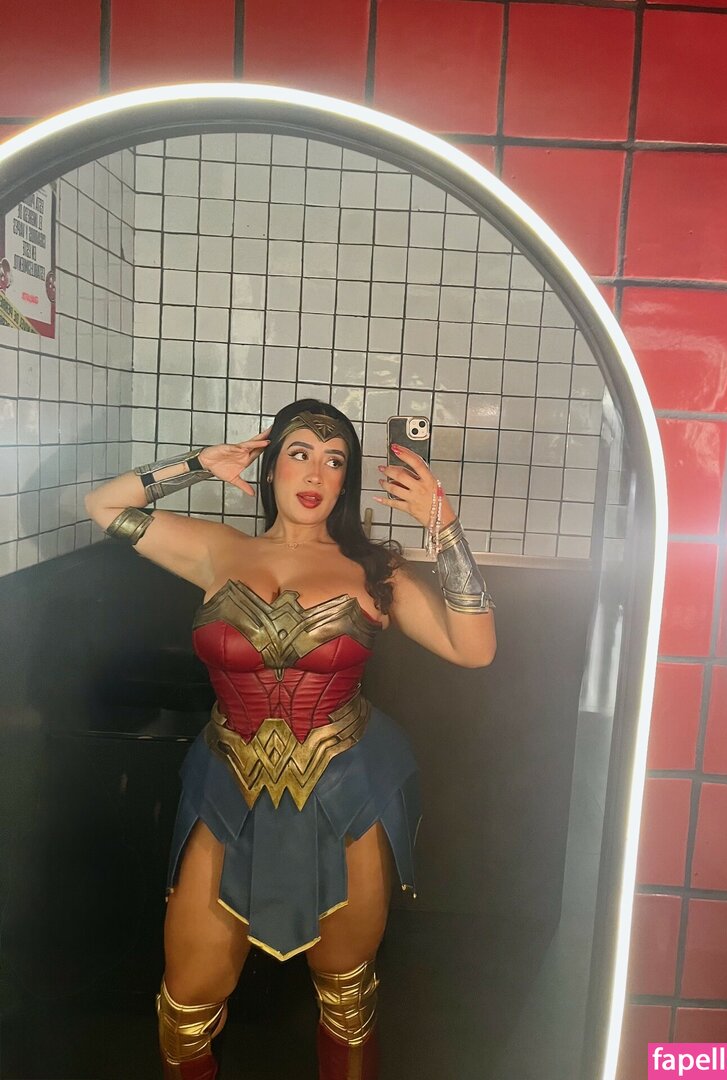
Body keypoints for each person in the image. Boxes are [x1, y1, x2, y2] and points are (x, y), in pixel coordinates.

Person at [84, 398, 496, 1080]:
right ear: (271, 464)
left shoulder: (376, 571)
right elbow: (103, 506)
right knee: (184, 1008)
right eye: (299, 453)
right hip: (227, 789)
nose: (315, 473)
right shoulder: (218, 549)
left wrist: (442, 523)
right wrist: (197, 465)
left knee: (347, 999)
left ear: (347, 481)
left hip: (345, 796)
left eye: (335, 461)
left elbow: (474, 648)